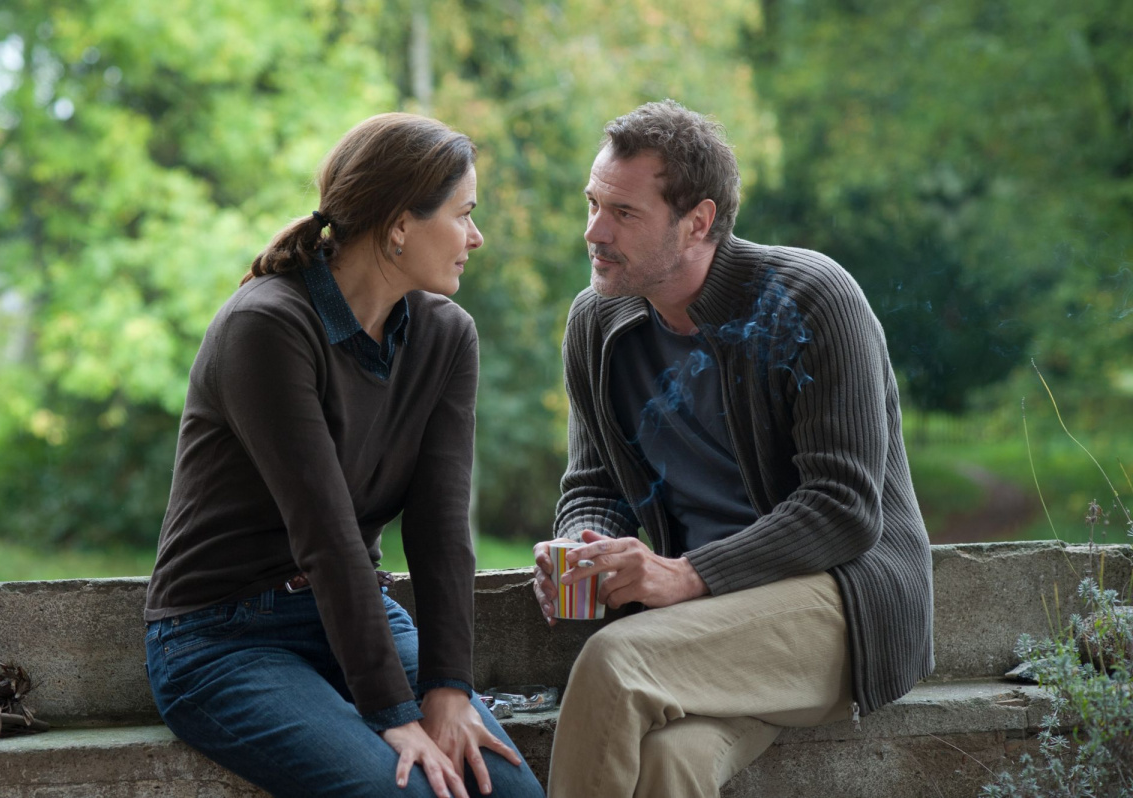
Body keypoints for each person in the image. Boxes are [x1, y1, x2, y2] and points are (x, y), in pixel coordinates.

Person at [532, 100, 935, 798]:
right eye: (592, 204)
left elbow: (842, 508)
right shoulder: (596, 322)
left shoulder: (809, 299)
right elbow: (595, 483)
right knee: (670, 762)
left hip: (842, 603)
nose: (593, 231)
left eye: (623, 213)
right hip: (706, 625)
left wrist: (686, 574)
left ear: (698, 221)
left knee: (615, 664)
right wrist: (584, 548)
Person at [144, 113, 544, 798]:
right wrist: (395, 713)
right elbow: (325, 535)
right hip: (220, 638)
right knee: (407, 791)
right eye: (464, 215)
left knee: (505, 790)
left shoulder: (447, 336)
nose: (476, 237)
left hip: (356, 621)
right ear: (400, 226)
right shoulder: (267, 325)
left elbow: (441, 529)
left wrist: (449, 689)